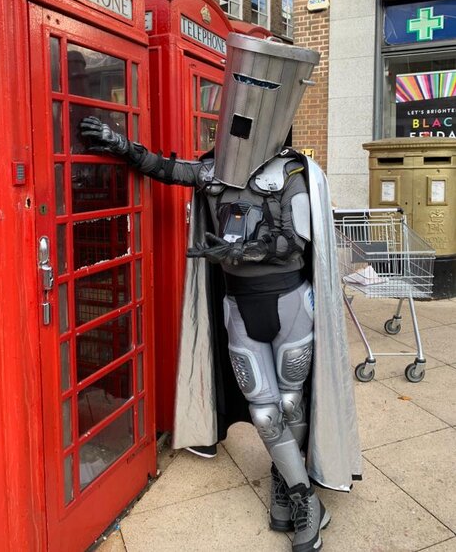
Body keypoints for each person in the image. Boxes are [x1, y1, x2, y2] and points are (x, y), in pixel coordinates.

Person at [80, 34, 362, 552]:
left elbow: (295, 239)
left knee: (292, 404)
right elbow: (170, 169)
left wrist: (242, 250)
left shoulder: (294, 171)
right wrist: (125, 148)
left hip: (290, 304)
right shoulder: (214, 169)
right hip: (240, 307)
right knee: (264, 410)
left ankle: (291, 488)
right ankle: (306, 499)